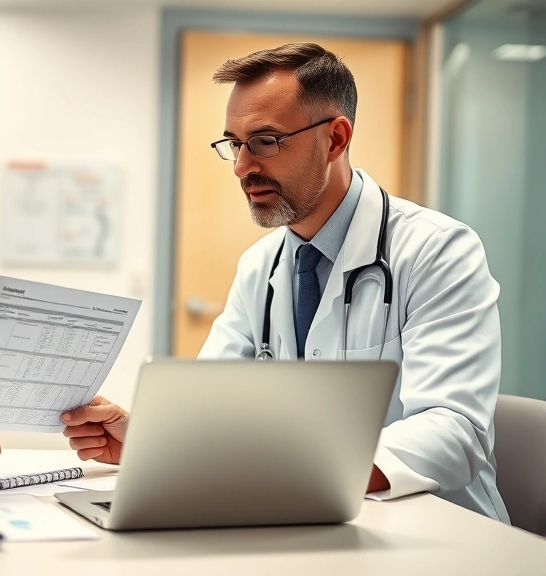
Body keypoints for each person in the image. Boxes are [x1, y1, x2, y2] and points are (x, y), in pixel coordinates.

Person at [62, 43, 509, 523]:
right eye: (235, 143)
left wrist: (294, 474)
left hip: (437, 535)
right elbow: (212, 410)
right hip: (306, 526)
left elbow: (454, 430)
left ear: (335, 139)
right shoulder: (261, 267)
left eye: (266, 141)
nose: (242, 166)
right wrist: (151, 444)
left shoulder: (436, 251)